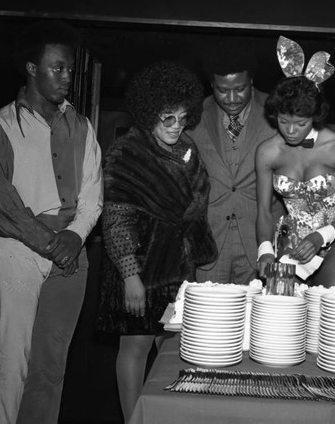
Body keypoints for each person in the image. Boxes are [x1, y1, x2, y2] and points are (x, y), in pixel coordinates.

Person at [0, 20, 103, 424]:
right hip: (20, 251)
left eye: (69, 69)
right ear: (31, 68)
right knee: (15, 361)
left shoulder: (82, 126)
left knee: (52, 364)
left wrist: (74, 235)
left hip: (72, 251)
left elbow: (92, 196)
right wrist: (53, 242)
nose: (67, 78)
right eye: (57, 68)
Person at [96, 61, 217, 423]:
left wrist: (190, 269)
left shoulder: (190, 149)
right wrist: (131, 276)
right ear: (149, 112)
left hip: (178, 266)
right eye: (168, 118)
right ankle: (135, 419)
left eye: (182, 118)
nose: (176, 126)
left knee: (175, 350)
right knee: (136, 345)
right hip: (138, 265)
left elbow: (196, 209)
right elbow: (116, 219)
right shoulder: (126, 152)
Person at [256, 36, 335, 289]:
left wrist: (320, 236)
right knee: (281, 320)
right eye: (283, 121)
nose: (291, 130)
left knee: (328, 316)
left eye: (301, 123)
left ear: (315, 117)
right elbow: (263, 210)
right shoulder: (267, 152)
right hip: (289, 241)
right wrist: (265, 251)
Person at [188, 43, 284, 285]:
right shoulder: (193, 114)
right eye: (222, 90)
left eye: (240, 89)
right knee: (209, 319)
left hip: (263, 244)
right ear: (211, 85)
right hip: (210, 243)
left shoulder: (278, 111)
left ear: (251, 81)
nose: (231, 98)